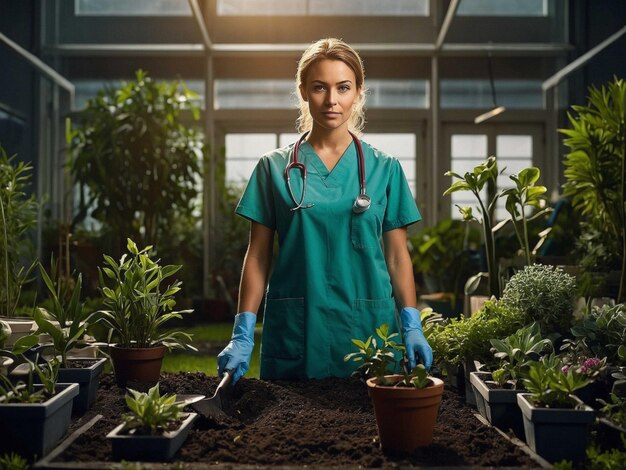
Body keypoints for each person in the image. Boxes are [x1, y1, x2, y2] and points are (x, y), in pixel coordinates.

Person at [217, 38, 432, 382]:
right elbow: (257, 256)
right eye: (319, 87)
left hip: (369, 329)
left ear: (358, 92)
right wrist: (242, 332)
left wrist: (411, 321)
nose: (332, 100)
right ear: (303, 91)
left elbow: (396, 256)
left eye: (343, 88)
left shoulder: (385, 168)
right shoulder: (272, 168)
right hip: (298, 330)